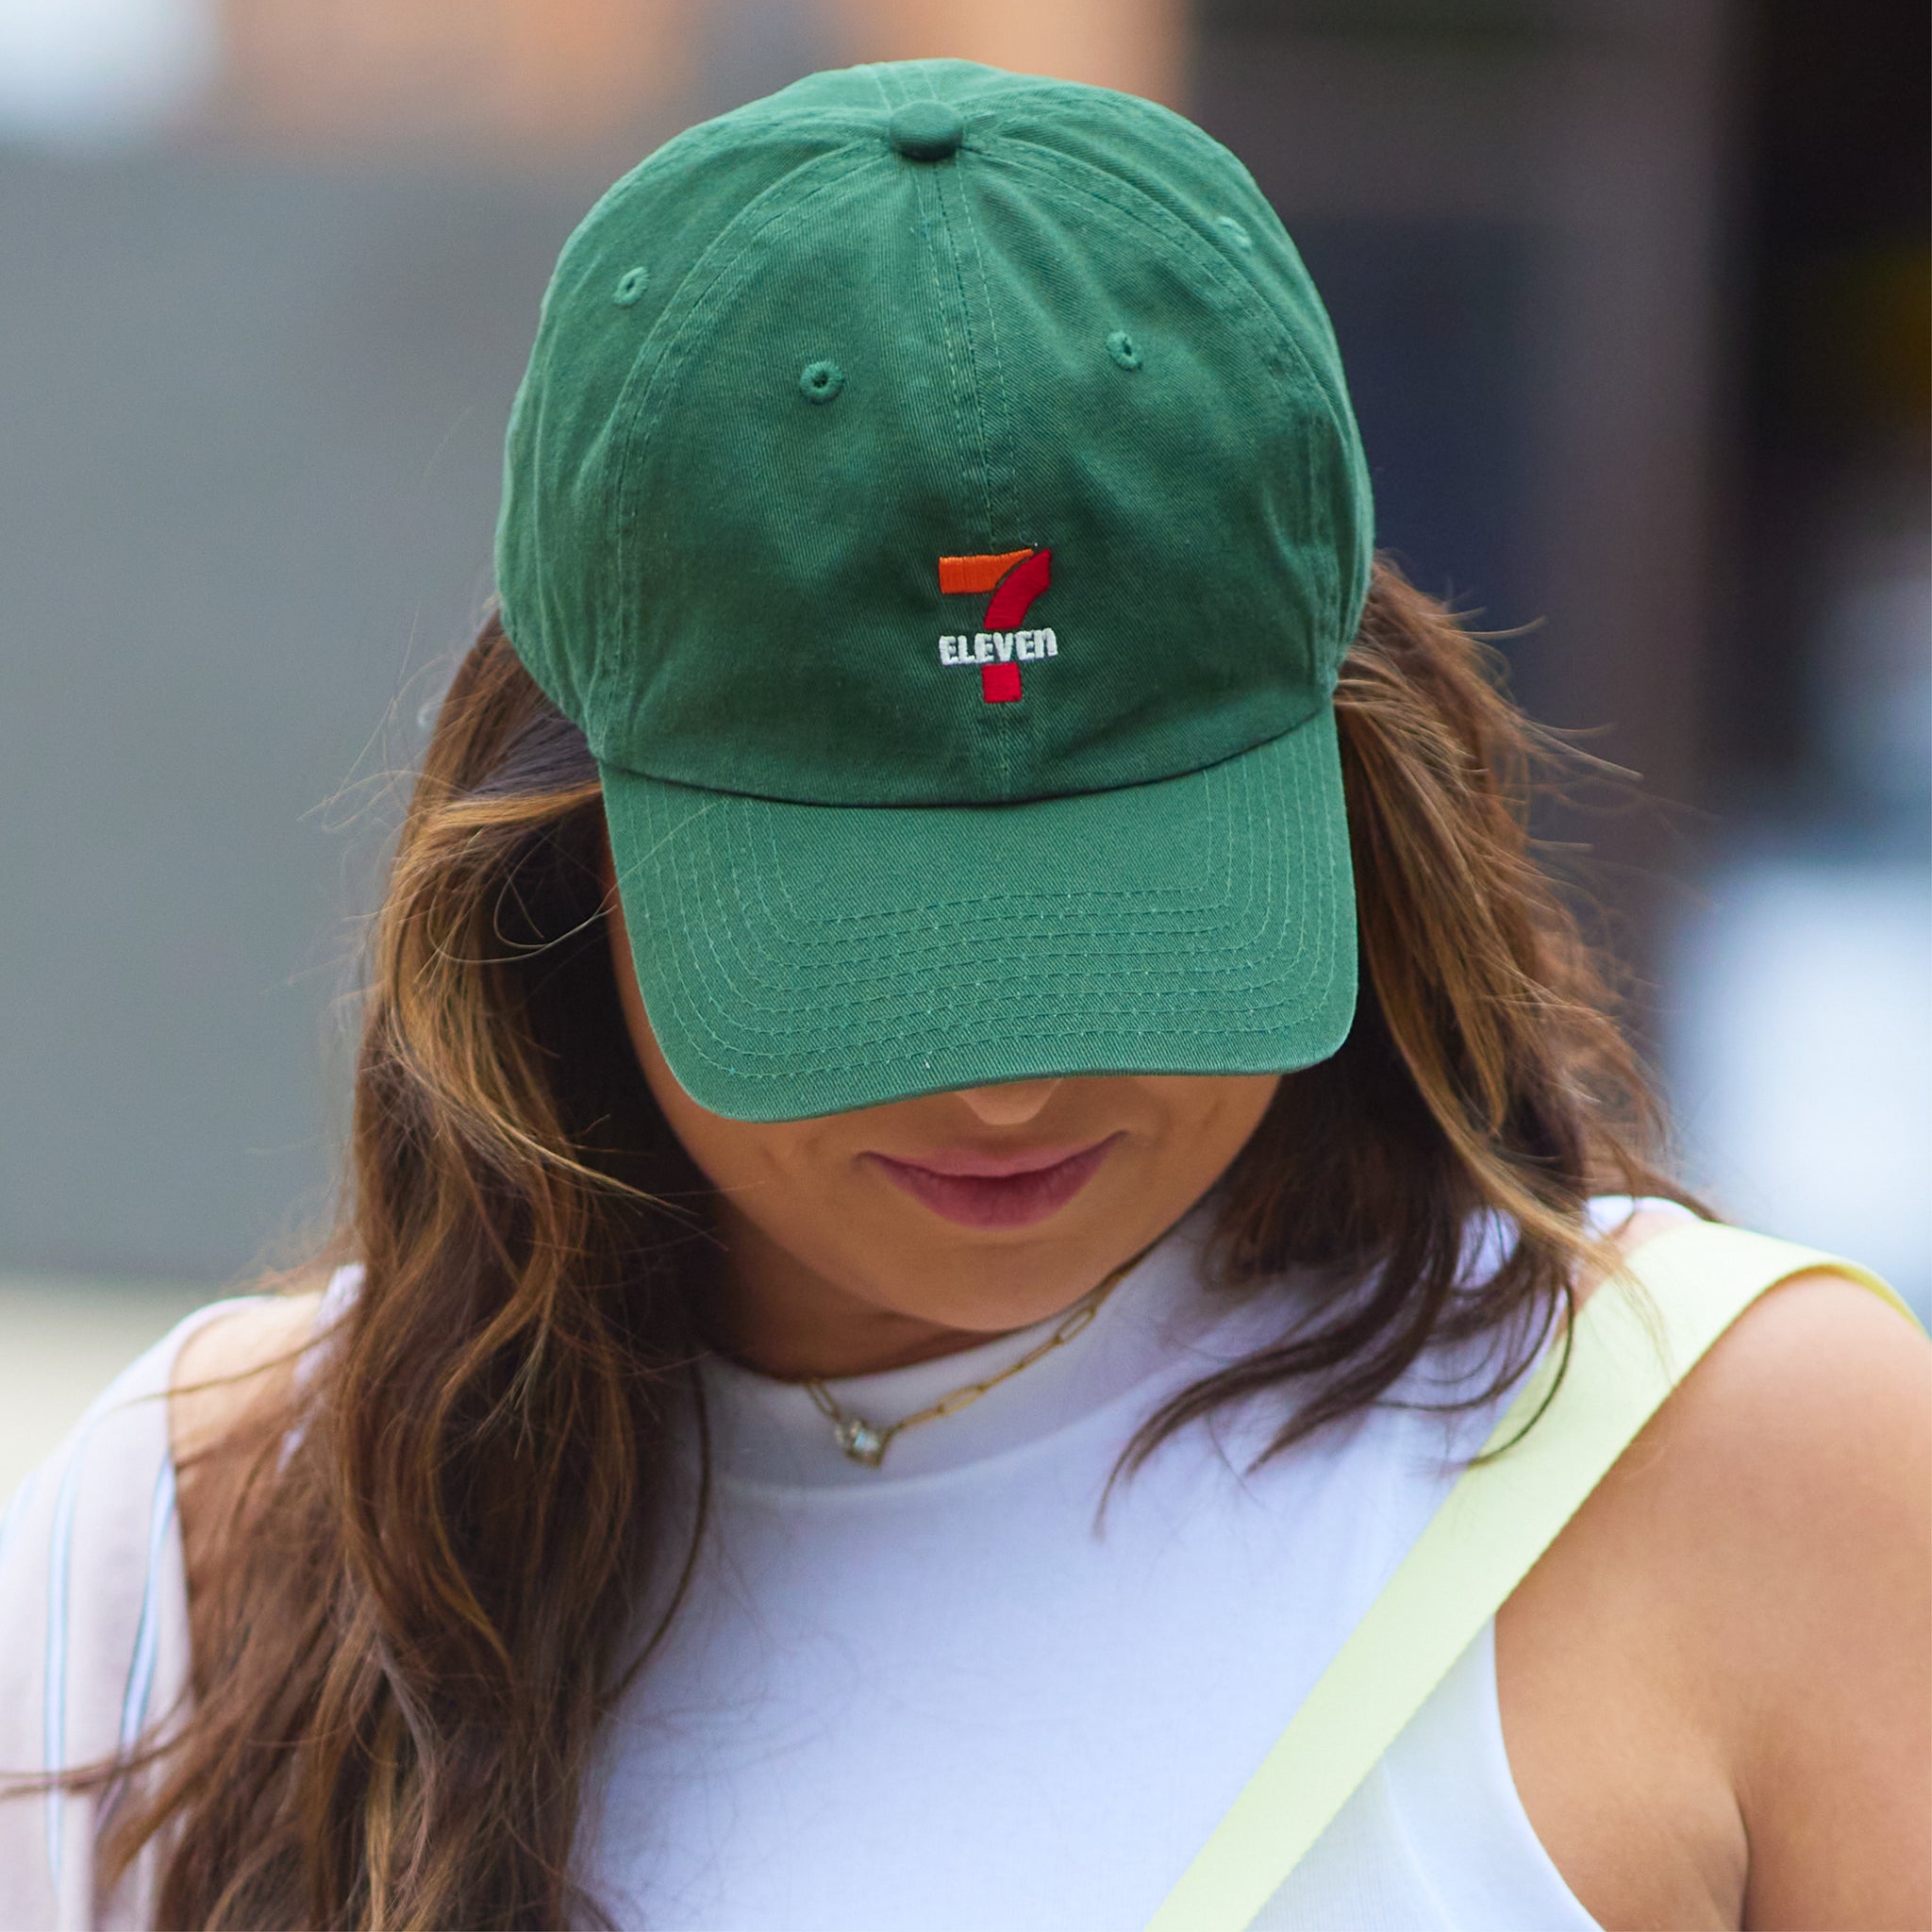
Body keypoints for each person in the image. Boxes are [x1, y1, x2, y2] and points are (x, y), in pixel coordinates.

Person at [2, 58, 1926, 1932]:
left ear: (1352, 800)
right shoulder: (206, 1539)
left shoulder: (1755, 1466)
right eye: (867, 953)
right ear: (574, 862)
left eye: (1131, 921)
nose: (1006, 1095)